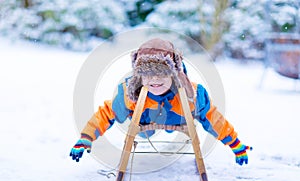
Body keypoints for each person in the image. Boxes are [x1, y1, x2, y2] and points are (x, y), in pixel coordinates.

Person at [70, 38, 252, 166]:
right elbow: (106, 113)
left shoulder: (193, 95)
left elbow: (214, 119)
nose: (154, 79)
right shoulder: (130, 92)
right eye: (147, 74)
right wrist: (86, 137)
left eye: (162, 73)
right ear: (138, 75)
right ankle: (145, 133)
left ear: (174, 73)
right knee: (143, 133)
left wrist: (235, 143)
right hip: (144, 120)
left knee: (195, 110)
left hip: (178, 118)